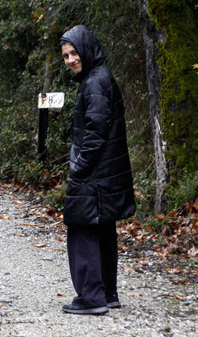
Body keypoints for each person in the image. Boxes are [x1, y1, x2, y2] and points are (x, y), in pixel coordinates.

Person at [59, 24, 136, 315]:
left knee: (83, 229)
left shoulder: (94, 82)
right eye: (66, 56)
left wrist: (79, 167)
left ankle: (92, 297)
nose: (70, 60)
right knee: (102, 229)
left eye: (74, 53)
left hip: (95, 173)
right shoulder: (99, 77)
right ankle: (107, 293)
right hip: (105, 173)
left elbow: (95, 132)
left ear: (87, 49)